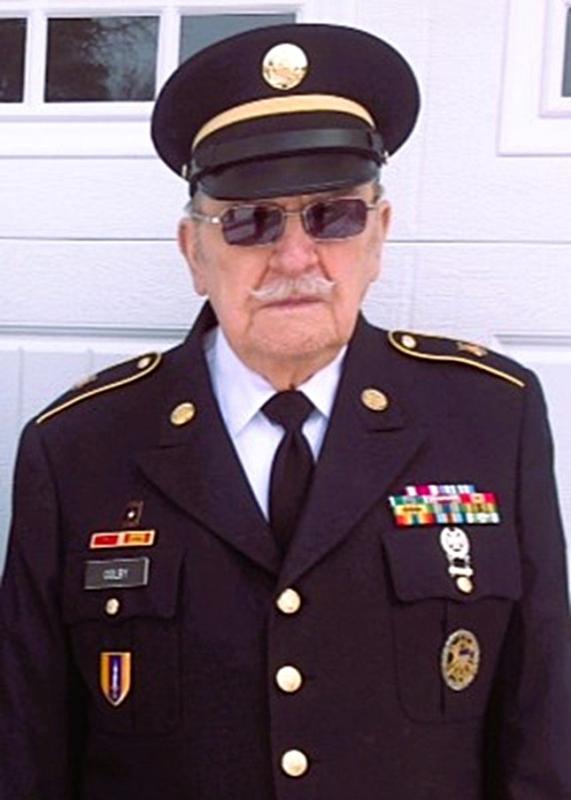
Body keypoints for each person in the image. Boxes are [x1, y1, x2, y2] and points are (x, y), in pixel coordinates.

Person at [1, 22, 570, 800]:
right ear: (194, 252)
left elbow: (539, 722)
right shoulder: (78, 449)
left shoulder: (488, 418)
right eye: (250, 221)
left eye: (333, 216)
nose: (296, 258)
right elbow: (28, 749)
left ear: (378, 235)